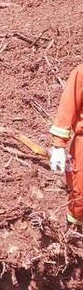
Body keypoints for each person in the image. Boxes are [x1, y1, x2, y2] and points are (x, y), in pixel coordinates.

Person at [49, 64, 83, 229]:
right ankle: (75, 236)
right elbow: (67, 107)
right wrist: (58, 146)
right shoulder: (81, 73)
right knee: (80, 194)